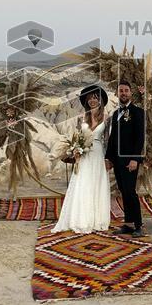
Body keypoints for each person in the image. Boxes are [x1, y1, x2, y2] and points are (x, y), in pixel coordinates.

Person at [51, 85, 111, 234]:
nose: (92, 100)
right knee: (82, 182)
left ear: (100, 100)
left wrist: (108, 159)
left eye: (95, 97)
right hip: (83, 155)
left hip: (98, 154)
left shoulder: (106, 118)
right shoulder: (81, 118)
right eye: (90, 98)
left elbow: (108, 140)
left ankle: (97, 220)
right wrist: (76, 149)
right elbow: (78, 136)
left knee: (96, 183)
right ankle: (81, 219)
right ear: (86, 101)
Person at [104, 80, 146, 237]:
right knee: (123, 191)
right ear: (117, 93)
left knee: (130, 191)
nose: (123, 93)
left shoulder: (138, 112)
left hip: (130, 160)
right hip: (117, 160)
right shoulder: (116, 114)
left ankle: (138, 225)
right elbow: (112, 138)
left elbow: (140, 138)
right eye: (121, 90)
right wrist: (108, 158)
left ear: (131, 93)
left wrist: (135, 159)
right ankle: (128, 224)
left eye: (126, 90)